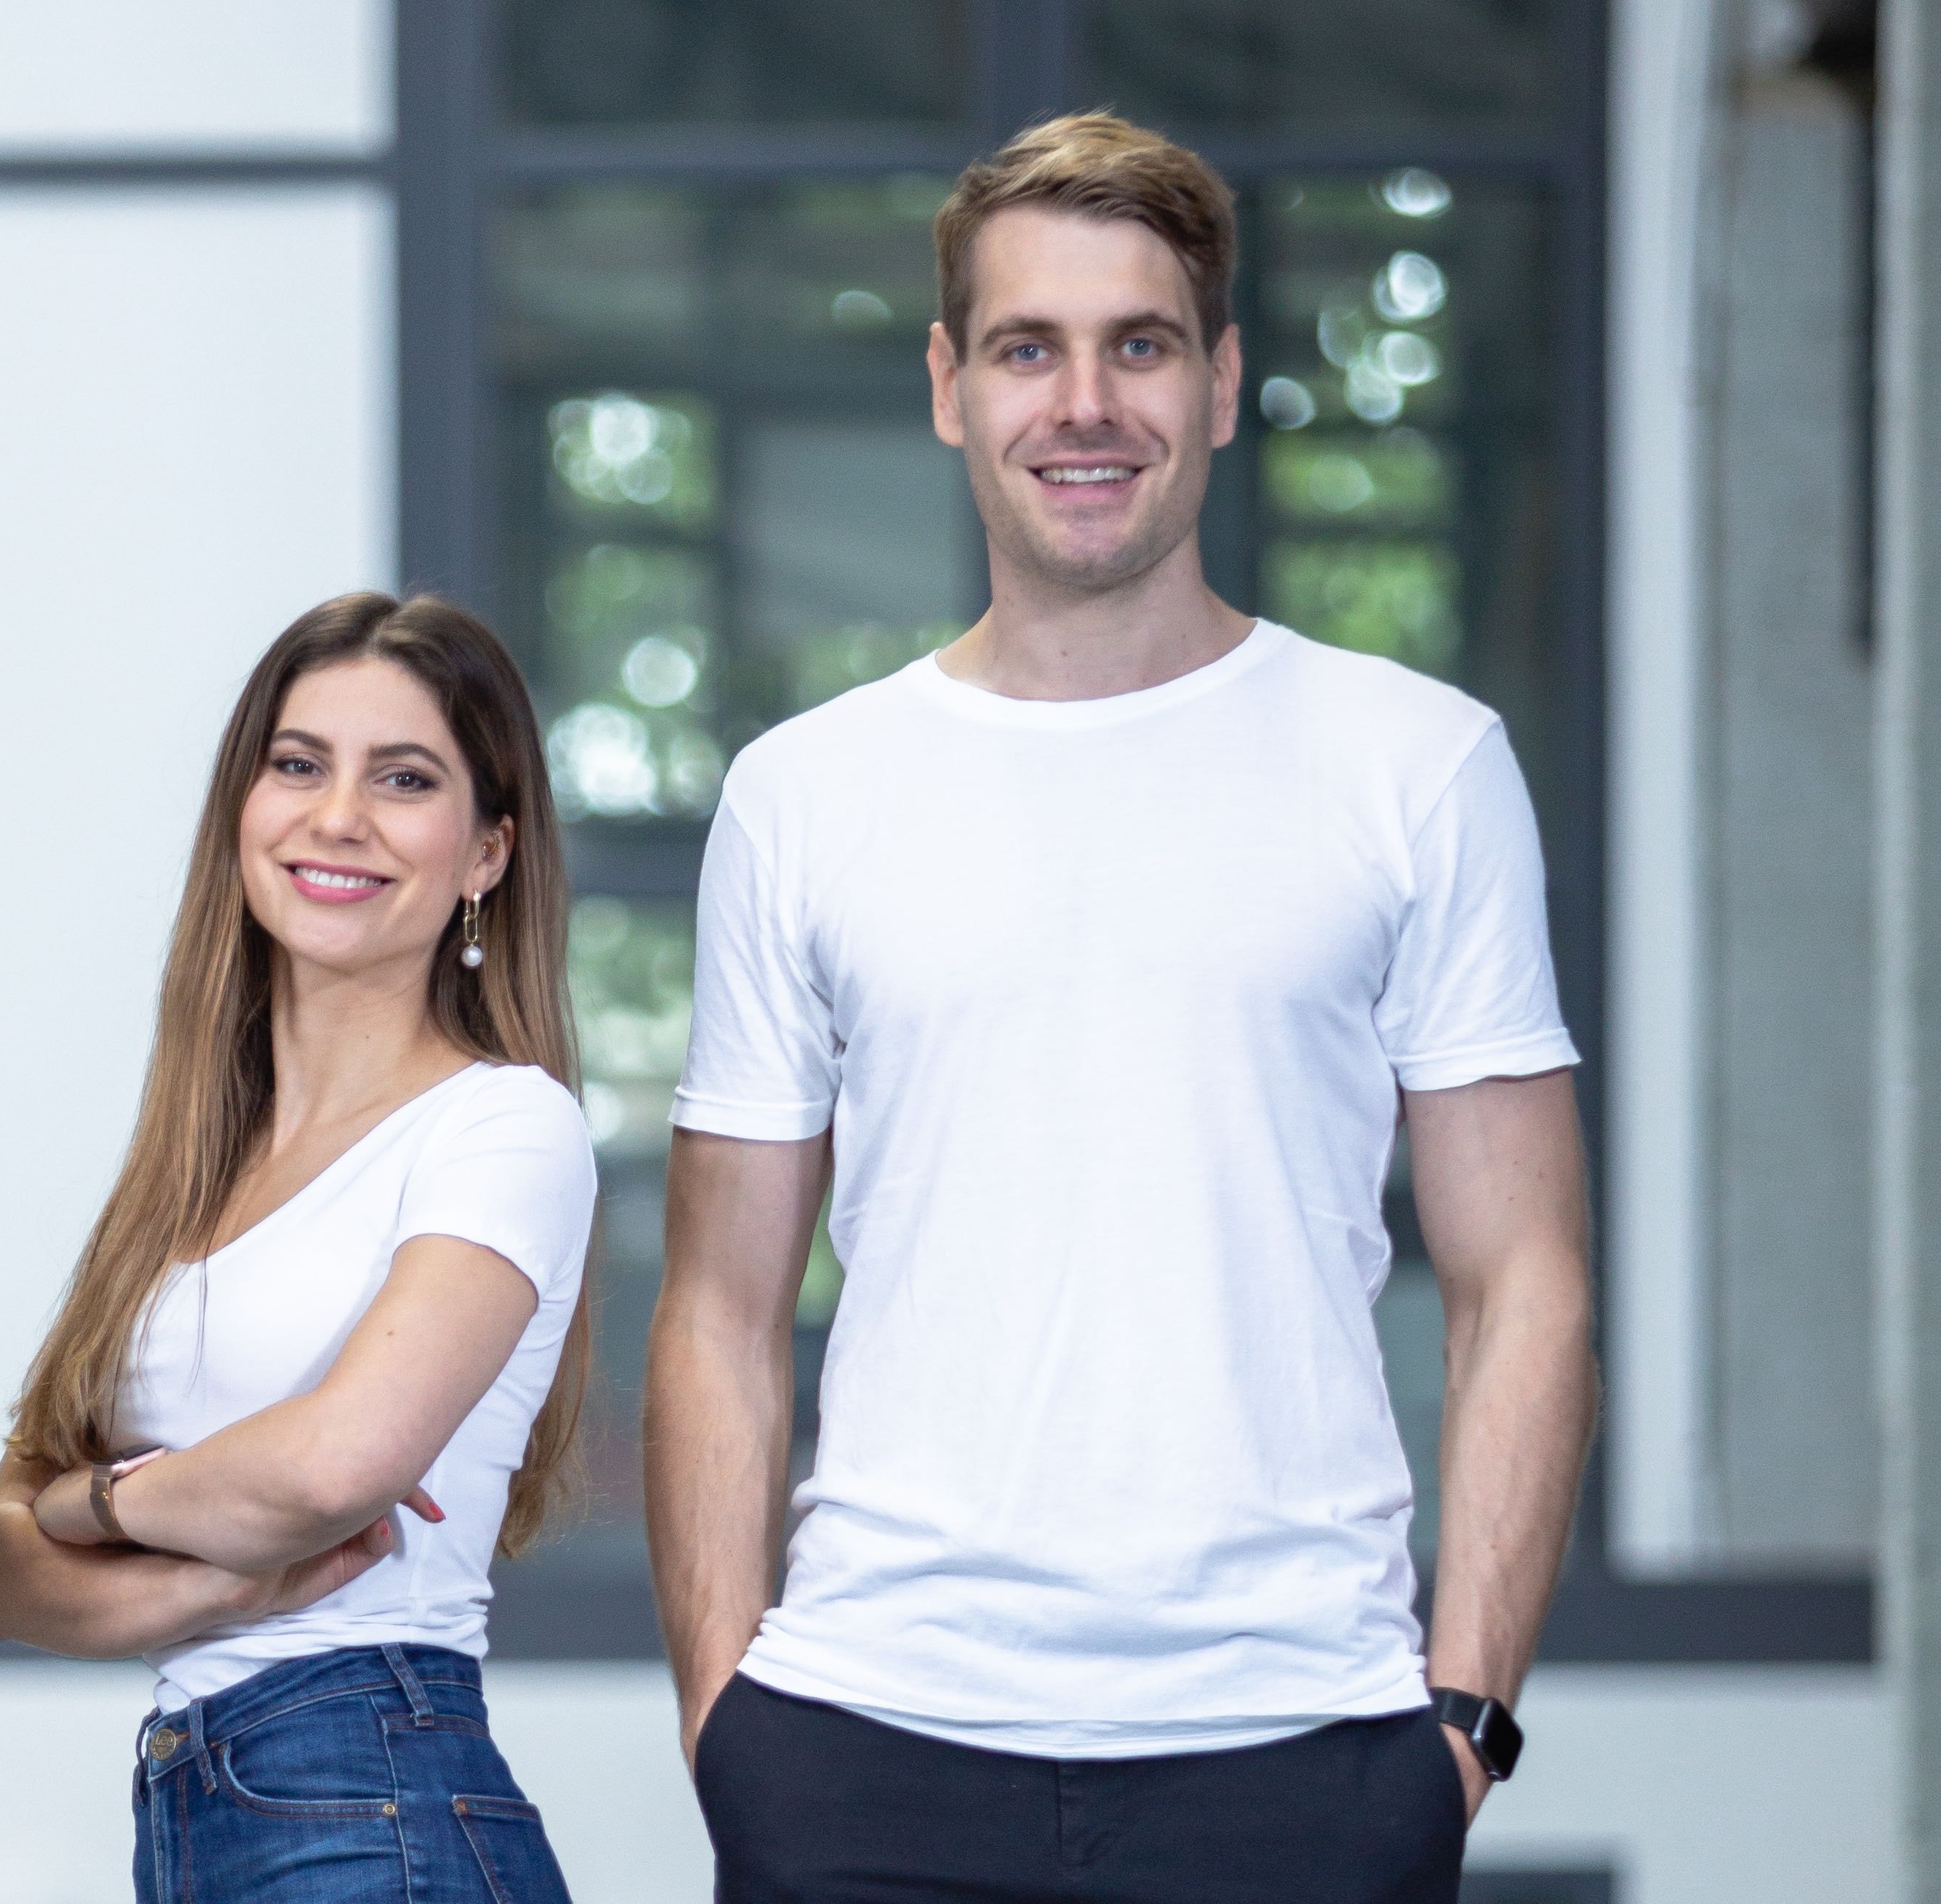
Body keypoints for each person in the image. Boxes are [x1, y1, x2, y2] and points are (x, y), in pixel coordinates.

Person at [646, 114, 1598, 1904]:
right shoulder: (806, 793)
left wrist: (1459, 1717)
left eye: (1139, 344)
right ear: (949, 386)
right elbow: (716, 1302)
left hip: (1300, 1752)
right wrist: (729, 1722)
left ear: (1225, 382)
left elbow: (1524, 1276)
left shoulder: (1419, 765)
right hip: (864, 1747)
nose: (1085, 402)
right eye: (1028, 347)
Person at [0, 593, 597, 1904]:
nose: (337, 817)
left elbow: (332, 1468)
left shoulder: (502, 1125)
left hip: (374, 1782)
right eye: (298, 764)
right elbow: (1, 1574)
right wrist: (225, 1588)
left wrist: (101, 1503)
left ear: (487, 851)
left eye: (405, 778)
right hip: (205, 1802)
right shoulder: (188, 1171)